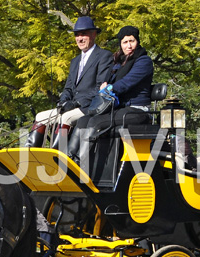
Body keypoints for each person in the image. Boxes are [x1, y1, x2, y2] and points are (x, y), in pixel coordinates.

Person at [66, 25, 153, 162]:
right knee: (83, 120)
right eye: (125, 42)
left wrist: (109, 88)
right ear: (121, 44)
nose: (128, 45)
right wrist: (105, 85)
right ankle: (68, 159)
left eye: (132, 41)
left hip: (137, 110)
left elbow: (127, 82)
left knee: (95, 121)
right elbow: (108, 80)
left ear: (137, 42)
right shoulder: (119, 62)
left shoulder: (144, 61)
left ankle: (80, 164)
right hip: (120, 108)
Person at [24, 16, 114, 149]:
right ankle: (30, 154)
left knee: (65, 118)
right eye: (77, 35)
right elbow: (69, 88)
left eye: (84, 34)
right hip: (71, 106)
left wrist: (77, 103)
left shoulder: (104, 56)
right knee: (41, 116)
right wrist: (63, 101)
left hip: (89, 107)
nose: (80, 38)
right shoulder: (75, 61)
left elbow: (99, 89)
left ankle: (56, 157)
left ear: (93, 34)